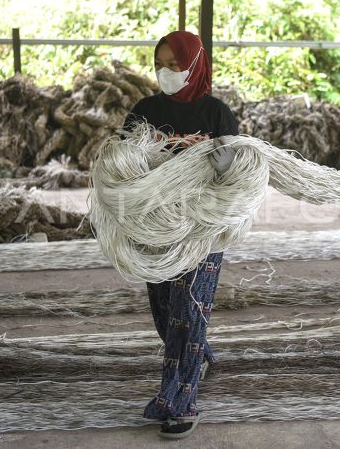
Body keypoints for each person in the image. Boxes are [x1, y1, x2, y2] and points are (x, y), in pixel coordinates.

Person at [122, 30, 239, 438]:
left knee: (188, 312)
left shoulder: (216, 114)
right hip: (156, 227)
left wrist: (225, 166)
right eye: (159, 64)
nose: (166, 72)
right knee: (165, 311)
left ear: (194, 64)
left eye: (175, 64)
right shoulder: (143, 111)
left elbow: (240, 176)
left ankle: (181, 403)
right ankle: (199, 355)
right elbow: (124, 166)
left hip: (201, 231)